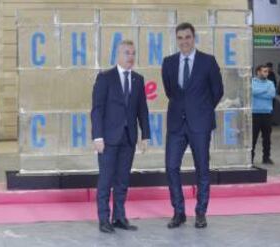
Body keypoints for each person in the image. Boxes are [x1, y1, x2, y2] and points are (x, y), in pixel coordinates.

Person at [161, 22, 224, 229]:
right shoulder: (168, 62)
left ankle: (200, 213)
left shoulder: (208, 61)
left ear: (193, 38)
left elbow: (217, 91)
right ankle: (178, 212)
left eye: (187, 37)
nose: (184, 41)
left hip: (200, 124)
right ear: (176, 40)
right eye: (180, 38)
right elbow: (170, 91)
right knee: (171, 167)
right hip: (176, 124)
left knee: (202, 169)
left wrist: (202, 110)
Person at [91, 40, 150, 233]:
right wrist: (97, 136)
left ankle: (119, 217)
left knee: (123, 180)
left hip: (129, 138)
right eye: (127, 53)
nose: (130, 57)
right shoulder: (105, 78)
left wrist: (145, 135)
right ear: (117, 55)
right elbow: (97, 110)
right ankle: (103, 219)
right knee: (106, 180)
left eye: (133, 53)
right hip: (108, 139)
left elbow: (142, 110)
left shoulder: (138, 80)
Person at [251, 65, 276, 165]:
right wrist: (265, 90)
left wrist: (258, 93)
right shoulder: (252, 82)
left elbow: (272, 95)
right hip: (255, 113)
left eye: (267, 72)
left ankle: (266, 157)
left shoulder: (270, 83)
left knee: (267, 138)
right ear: (258, 72)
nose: (266, 73)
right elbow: (252, 91)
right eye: (264, 71)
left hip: (267, 113)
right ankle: (250, 158)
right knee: (253, 138)